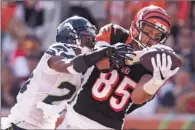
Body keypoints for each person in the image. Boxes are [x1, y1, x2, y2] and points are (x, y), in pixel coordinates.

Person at [57, 5, 180, 130]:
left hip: (111, 126)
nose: (150, 39)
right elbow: (101, 63)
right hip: (77, 118)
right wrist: (138, 56)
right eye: (148, 31)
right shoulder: (114, 33)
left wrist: (157, 81)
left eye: (157, 36)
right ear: (136, 26)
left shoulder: (152, 64)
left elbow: (137, 98)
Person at [1, 16, 132, 130]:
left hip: (45, 126)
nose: (92, 40)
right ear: (71, 35)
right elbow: (68, 65)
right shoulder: (60, 49)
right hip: (22, 122)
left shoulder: (88, 67)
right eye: (87, 36)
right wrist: (103, 52)